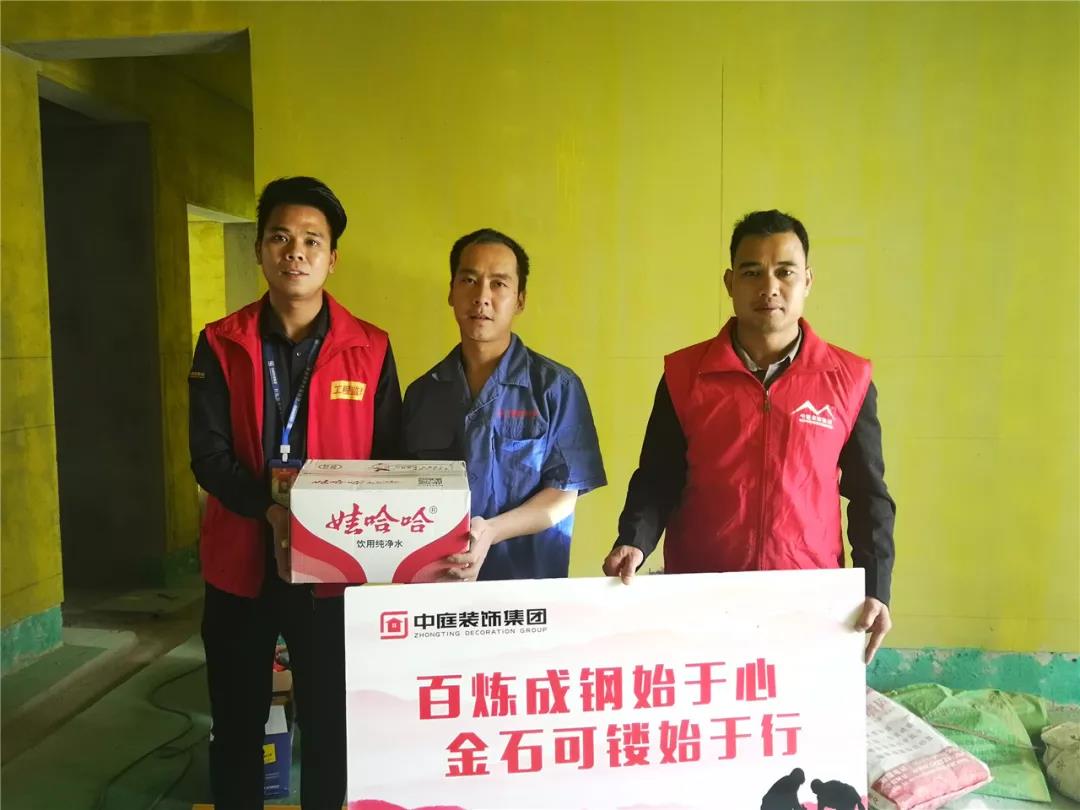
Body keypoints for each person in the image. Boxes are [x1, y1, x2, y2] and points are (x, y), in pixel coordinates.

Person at [189, 176, 401, 808]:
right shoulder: (221, 341)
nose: (296, 252)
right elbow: (209, 456)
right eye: (281, 238)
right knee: (235, 724)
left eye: (312, 240)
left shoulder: (371, 348)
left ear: (332, 257)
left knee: (331, 728)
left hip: (333, 575)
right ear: (260, 250)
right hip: (241, 564)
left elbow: (389, 459)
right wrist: (272, 511)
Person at [603, 210, 895, 663]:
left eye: (785, 272)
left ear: (808, 281)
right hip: (702, 593)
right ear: (730, 283)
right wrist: (634, 540)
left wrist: (875, 587)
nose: (769, 287)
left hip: (807, 599)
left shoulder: (848, 379)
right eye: (752, 272)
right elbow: (658, 477)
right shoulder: (685, 375)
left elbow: (868, 494)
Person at [402, 228, 606, 581]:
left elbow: (563, 494)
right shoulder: (423, 393)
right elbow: (403, 490)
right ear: (451, 291)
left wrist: (492, 531)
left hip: (527, 587)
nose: (482, 297)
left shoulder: (556, 387)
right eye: (469, 280)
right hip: (439, 587)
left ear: (520, 300)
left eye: (498, 284)